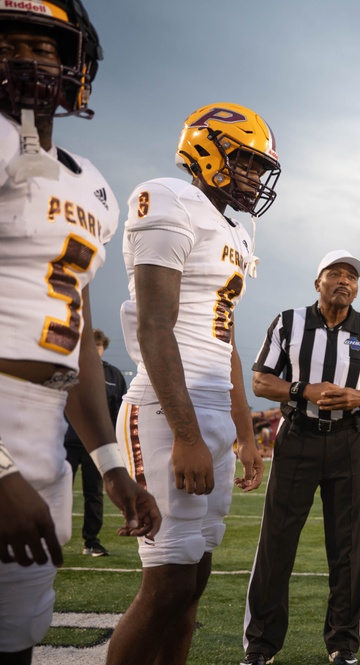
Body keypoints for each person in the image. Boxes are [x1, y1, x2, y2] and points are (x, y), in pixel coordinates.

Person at [0, 2, 161, 661]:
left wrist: (110, 464)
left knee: (16, 640)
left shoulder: (92, 183)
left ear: (77, 65)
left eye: (45, 47)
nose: (27, 59)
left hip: (43, 427)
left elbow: (80, 341)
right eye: (9, 42)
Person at [106, 103, 278, 665]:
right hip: (165, 409)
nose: (255, 176)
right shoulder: (169, 198)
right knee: (167, 586)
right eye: (246, 162)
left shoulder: (233, 228)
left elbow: (224, 337)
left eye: (260, 166)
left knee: (195, 579)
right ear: (208, 149)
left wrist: (242, 431)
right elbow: (155, 325)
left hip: (210, 415)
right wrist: (185, 433)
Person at [242, 250, 360, 665]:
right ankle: (261, 644)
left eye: (351, 276)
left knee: (347, 546)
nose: (344, 281)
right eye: (335, 273)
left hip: (347, 438)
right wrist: (304, 390)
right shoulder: (288, 322)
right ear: (318, 282)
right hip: (298, 437)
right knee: (277, 542)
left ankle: (343, 644)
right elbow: (260, 380)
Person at [63, 328, 128, 557]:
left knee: (95, 494)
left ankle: (91, 542)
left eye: (98, 346)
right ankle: (50, 539)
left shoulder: (113, 376)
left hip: (98, 446)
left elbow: (120, 411)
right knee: (59, 491)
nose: (94, 350)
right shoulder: (68, 371)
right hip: (67, 443)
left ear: (103, 348)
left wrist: (117, 443)